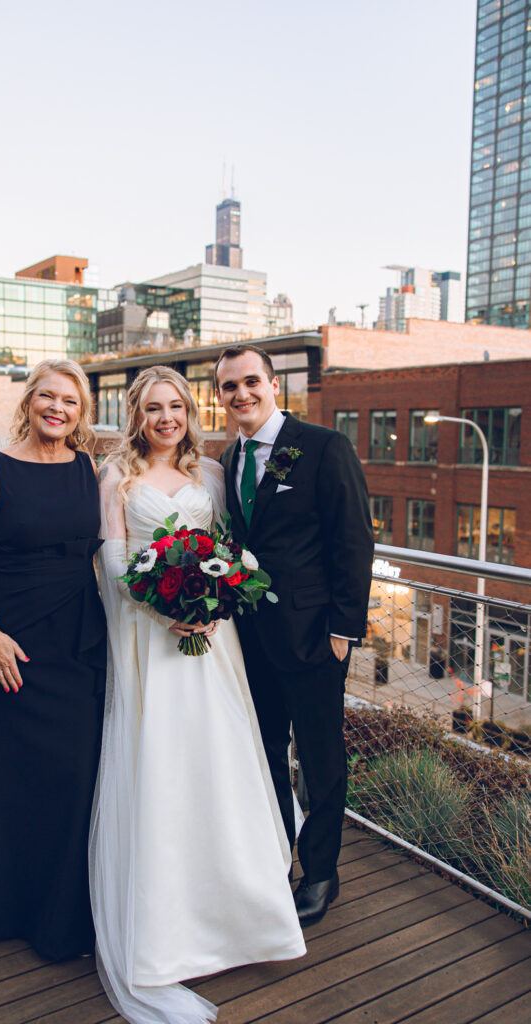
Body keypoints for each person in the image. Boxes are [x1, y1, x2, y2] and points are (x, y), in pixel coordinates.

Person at [90, 365, 305, 1024]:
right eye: (153, 408)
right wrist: (163, 608)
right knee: (162, 767)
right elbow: (114, 561)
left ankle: (241, 913)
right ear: (137, 414)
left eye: (175, 406)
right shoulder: (117, 478)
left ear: (189, 411)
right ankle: (168, 930)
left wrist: (213, 605)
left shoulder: (213, 474)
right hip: (150, 643)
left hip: (213, 642)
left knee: (220, 766)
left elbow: (233, 553)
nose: (165, 418)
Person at [0, 358, 106, 960]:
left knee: (76, 778)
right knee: (13, 776)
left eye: (70, 401)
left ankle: (60, 918)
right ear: (29, 401)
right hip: (12, 643)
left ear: (81, 411)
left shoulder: (89, 469)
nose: (58, 408)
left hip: (81, 643)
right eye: (48, 397)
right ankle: (3, 909)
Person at [215, 345, 374, 926]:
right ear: (221, 396)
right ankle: (276, 856)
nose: (241, 395)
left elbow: (354, 541)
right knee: (265, 756)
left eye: (250, 381)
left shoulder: (324, 446)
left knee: (321, 757)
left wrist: (343, 630)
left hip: (313, 637)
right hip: (250, 640)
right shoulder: (228, 458)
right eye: (229, 387)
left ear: (274, 384)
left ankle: (322, 873)